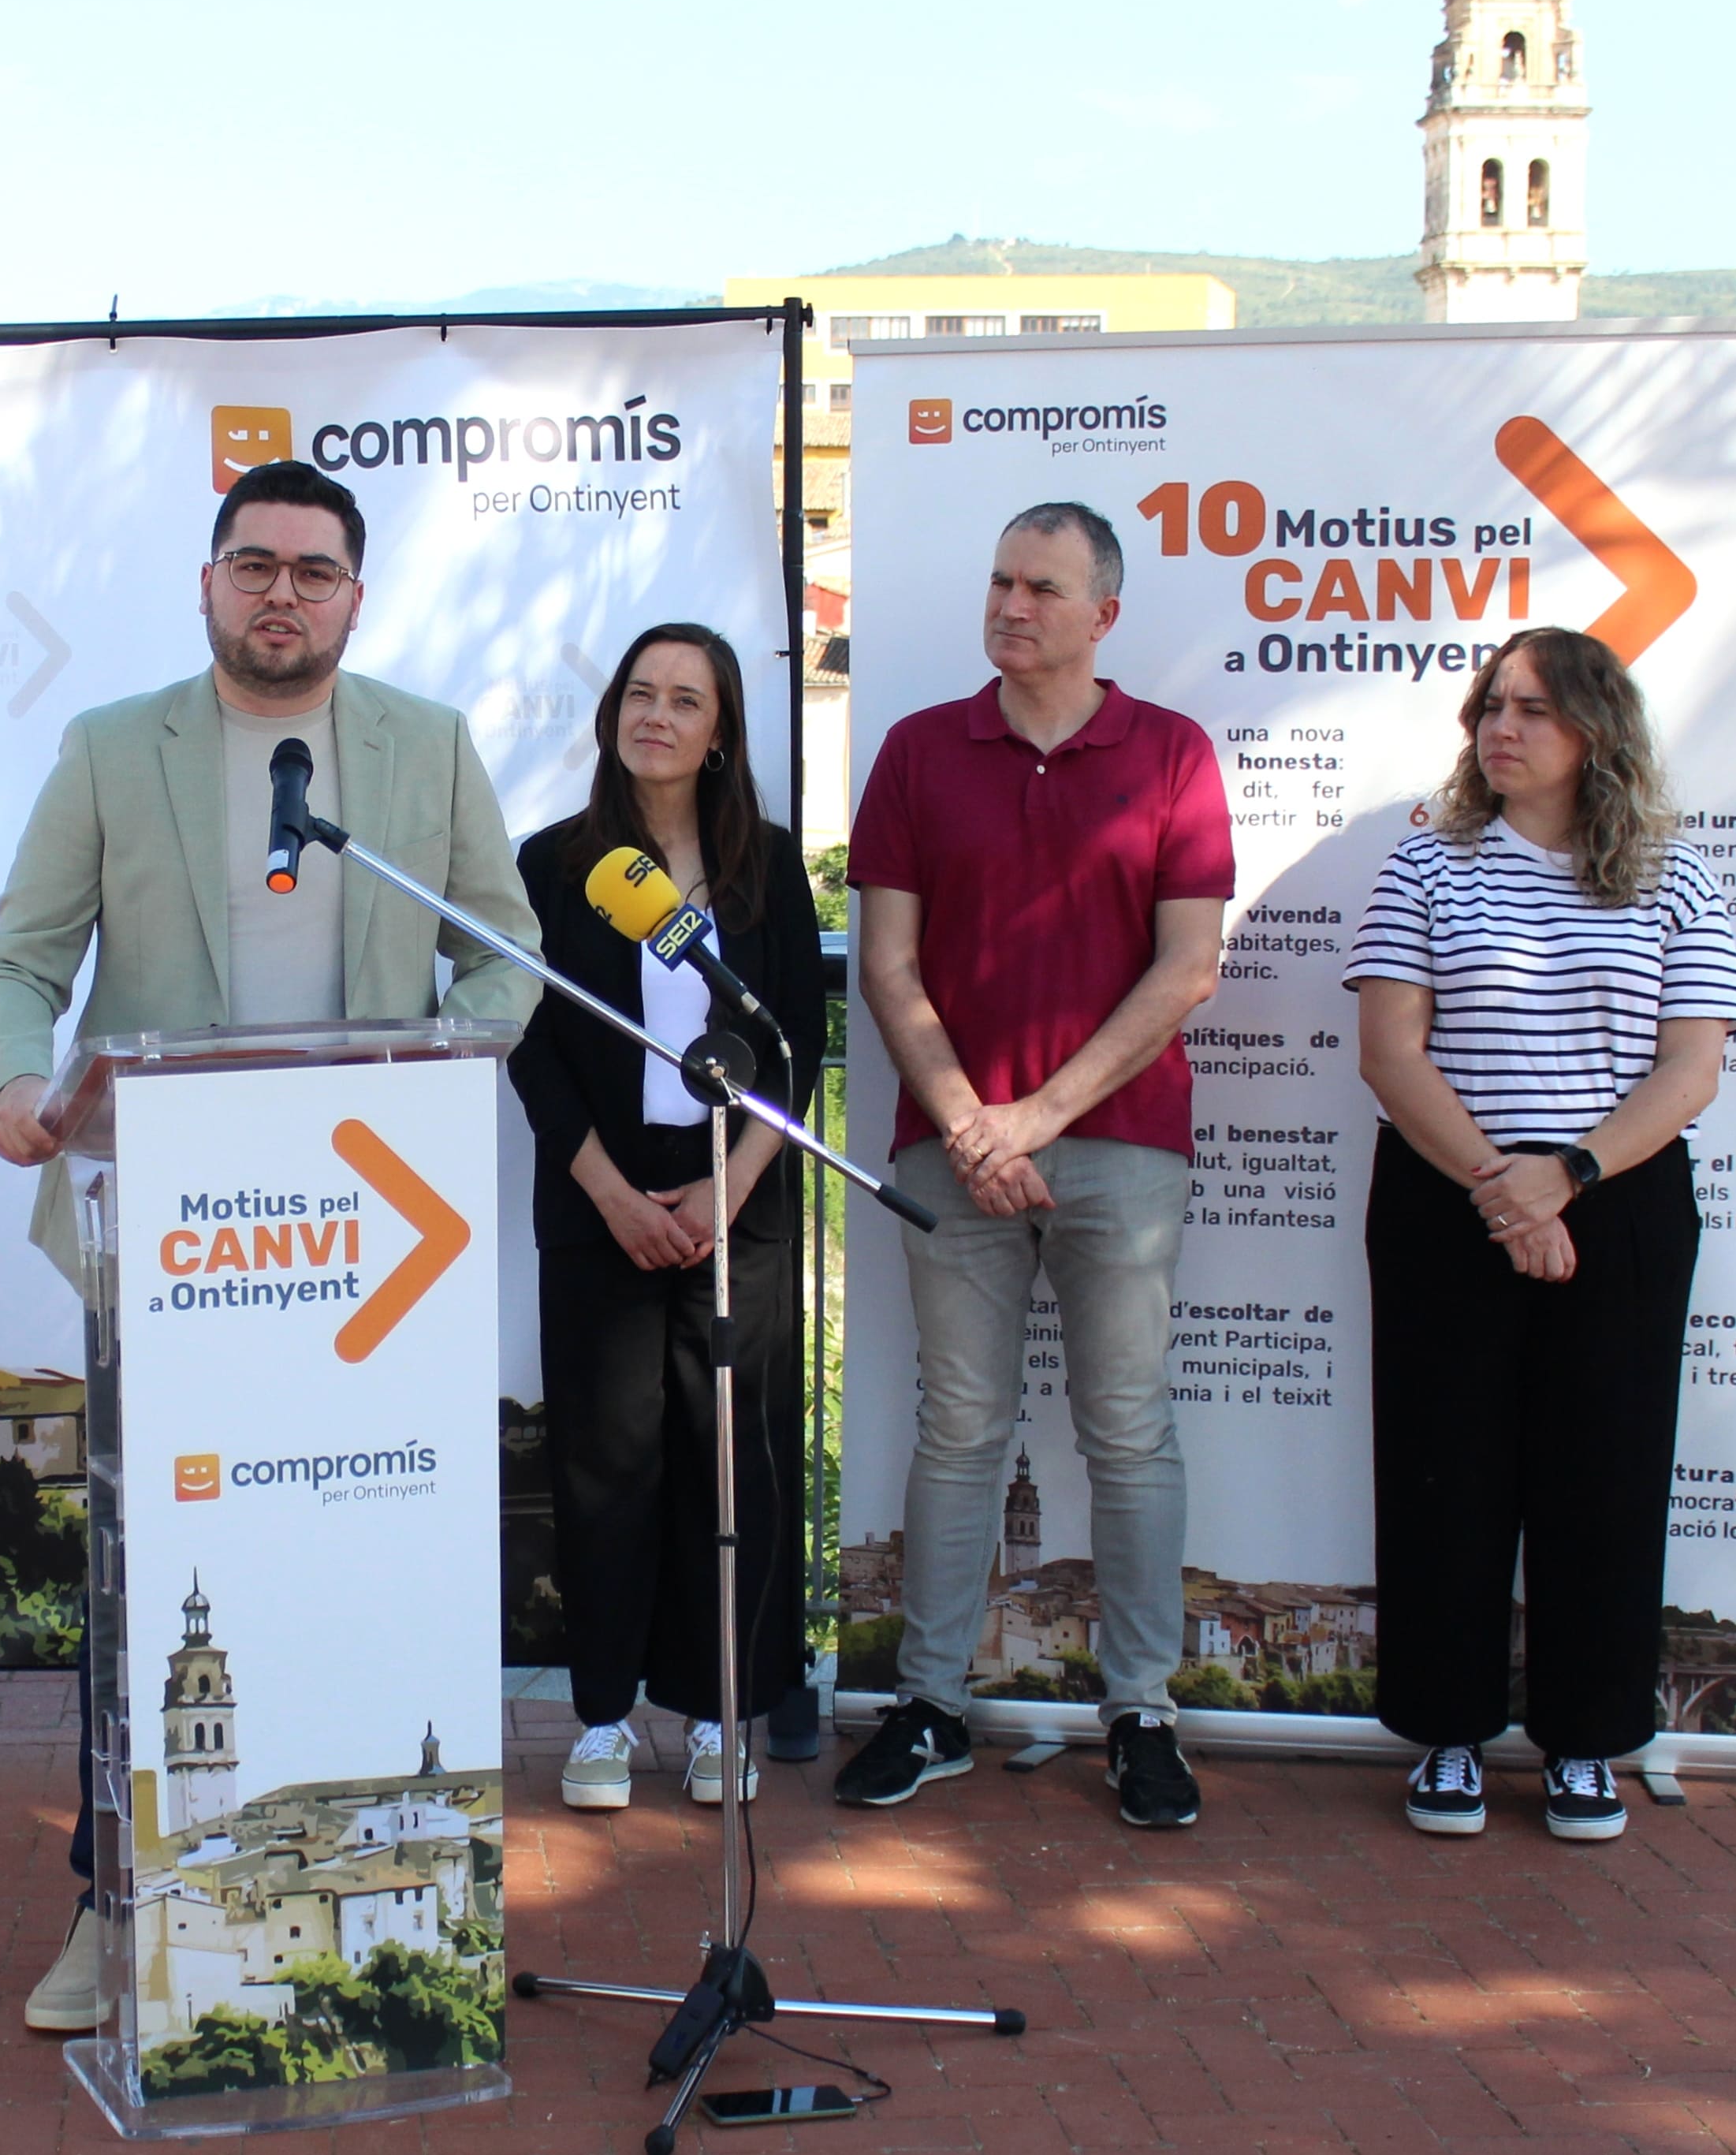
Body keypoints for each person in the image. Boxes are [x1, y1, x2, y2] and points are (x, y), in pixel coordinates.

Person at [0, 456, 540, 2032]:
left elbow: (504, 952)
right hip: (172, 1241)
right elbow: (17, 964)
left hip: (369, 1247)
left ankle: (351, 1893)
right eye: (252, 563)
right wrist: (19, 1079)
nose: (280, 591)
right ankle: (114, 1908)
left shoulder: (426, 748)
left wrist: (450, 1051)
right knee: (147, 1593)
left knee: (350, 1560)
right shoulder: (110, 751)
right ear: (208, 583)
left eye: (313, 568)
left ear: (356, 593)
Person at [836, 501, 1231, 1831]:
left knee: (1127, 1430)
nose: (1011, 605)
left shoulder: (1172, 755)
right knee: (960, 1428)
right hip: (953, 1150)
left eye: (1042, 588)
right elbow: (887, 963)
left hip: (1115, 1148)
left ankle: (1142, 1713)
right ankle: (934, 1704)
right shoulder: (915, 750)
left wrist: (1037, 1117)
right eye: (999, 579)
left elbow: (1189, 967)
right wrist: (969, 1122)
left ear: (1104, 615)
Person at [1348, 627, 1736, 1844]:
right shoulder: (1428, 866)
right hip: (1445, 1194)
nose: (1499, 730)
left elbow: (1692, 1068)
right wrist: (1496, 1187)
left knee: (1605, 1473)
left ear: (1596, 732)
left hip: (1614, 1202)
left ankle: (1586, 1740)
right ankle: (1450, 1734)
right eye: (1488, 707)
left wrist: (1562, 1177)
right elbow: (1389, 1052)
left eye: (1529, 709)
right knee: (1444, 1468)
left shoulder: (1673, 873)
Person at [510, 625, 822, 1814]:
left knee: (727, 1465)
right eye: (639, 694)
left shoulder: (770, 866)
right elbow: (530, 1046)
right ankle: (599, 1716)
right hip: (601, 1199)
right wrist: (606, 1190)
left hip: (734, 1194)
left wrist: (731, 1182)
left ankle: (717, 1713)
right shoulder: (551, 864)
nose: (656, 715)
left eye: (685, 700)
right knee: (602, 1467)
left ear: (722, 732)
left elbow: (797, 1035)